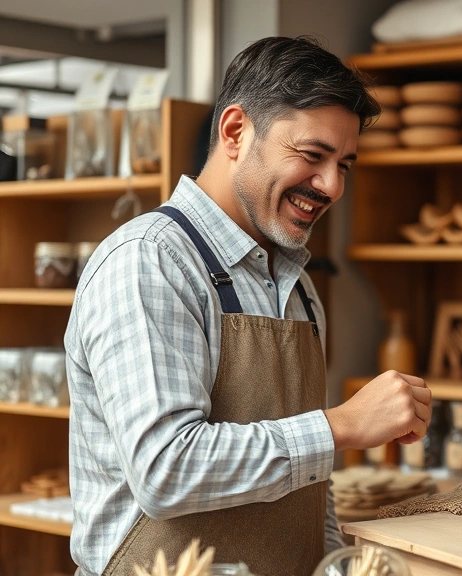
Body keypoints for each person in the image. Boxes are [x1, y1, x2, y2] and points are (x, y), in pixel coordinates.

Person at [65, 37, 432, 576]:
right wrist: (343, 426)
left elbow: (309, 488)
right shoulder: (149, 263)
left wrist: (334, 562)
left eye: (344, 165)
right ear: (236, 131)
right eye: (312, 155)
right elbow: (166, 470)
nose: (331, 186)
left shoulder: (300, 290)